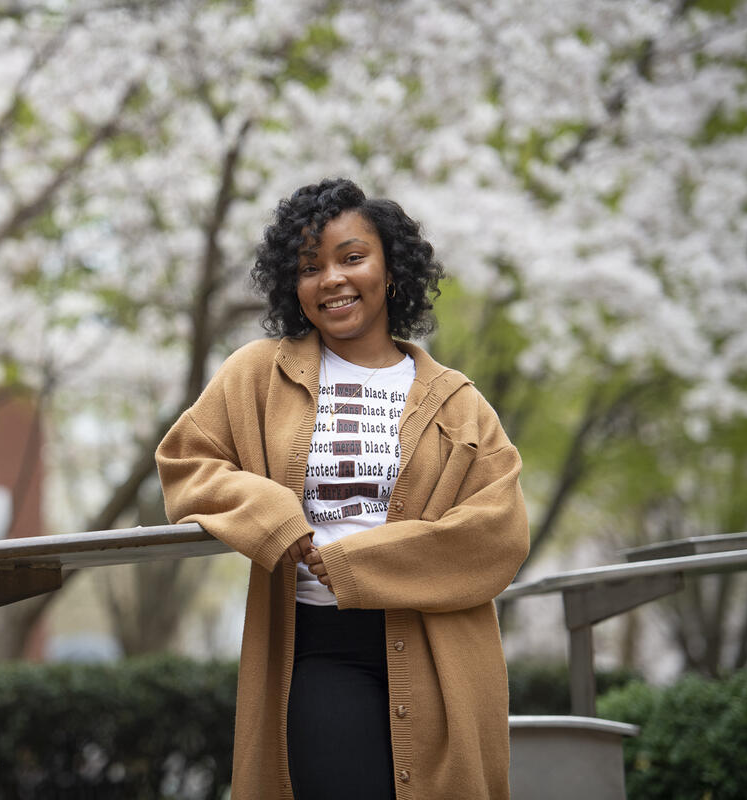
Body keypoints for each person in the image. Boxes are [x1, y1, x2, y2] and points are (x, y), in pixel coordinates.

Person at [155, 178, 529, 799]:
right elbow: (186, 461)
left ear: (390, 269)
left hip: (443, 655)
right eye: (310, 266)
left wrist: (363, 562)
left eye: (352, 258)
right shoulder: (257, 374)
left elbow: (499, 533)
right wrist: (274, 517)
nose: (331, 278)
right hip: (316, 644)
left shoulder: (460, 404)